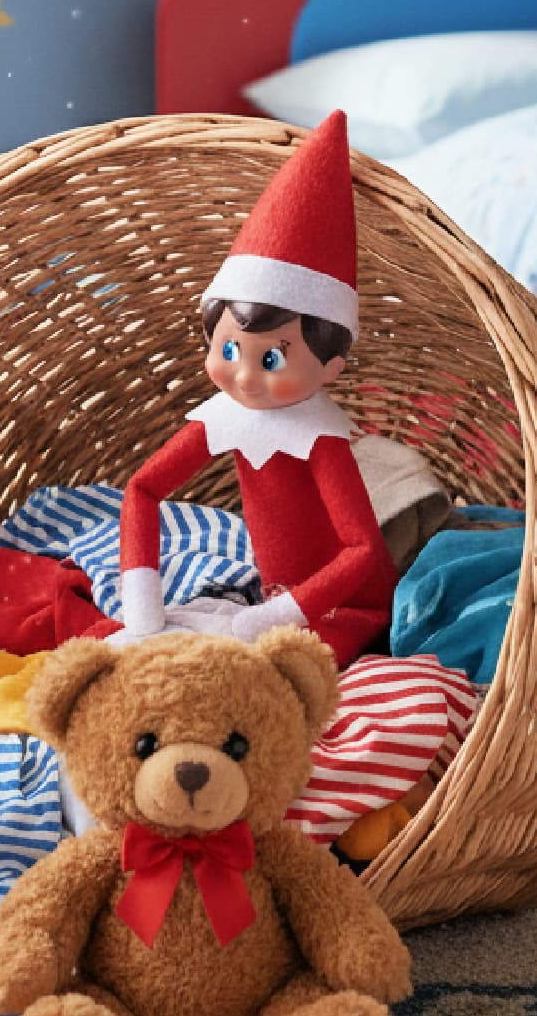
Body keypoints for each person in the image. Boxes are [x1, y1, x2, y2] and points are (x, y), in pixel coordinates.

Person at [118, 111, 396, 668]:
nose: (244, 377)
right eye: (228, 351)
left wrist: (277, 615)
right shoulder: (226, 414)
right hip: (271, 600)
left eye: (271, 358)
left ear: (332, 367)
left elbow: (362, 550)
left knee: (266, 679)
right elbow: (143, 491)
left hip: (346, 612)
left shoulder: (319, 438)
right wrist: (142, 602)